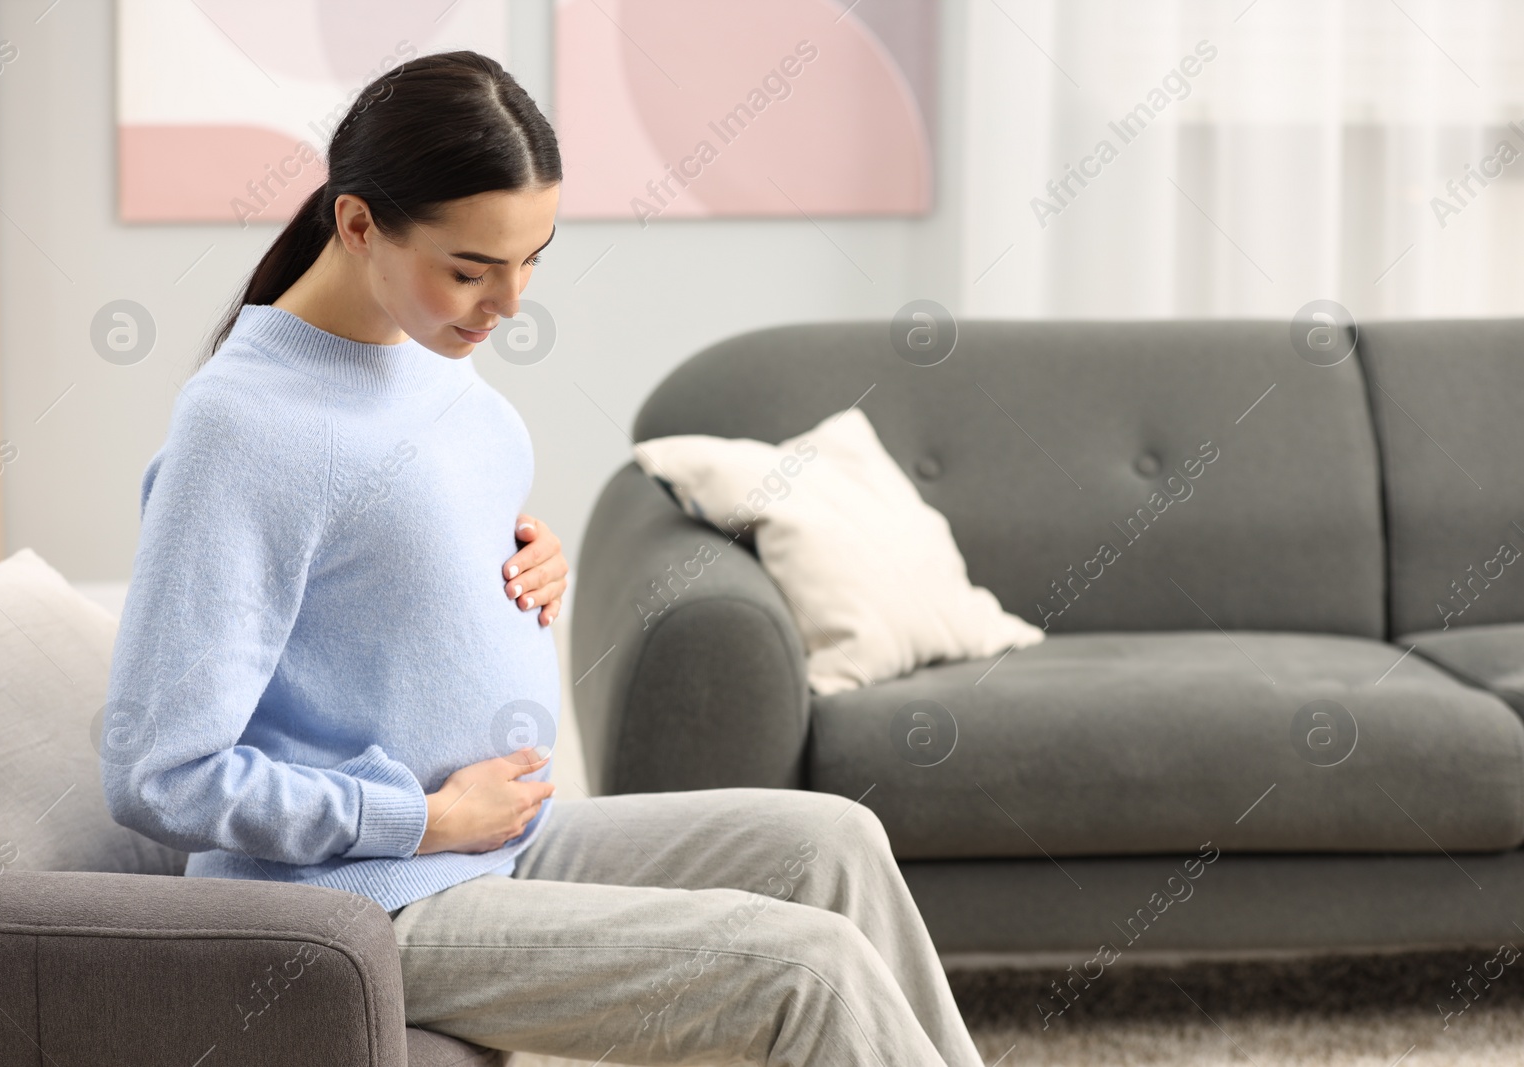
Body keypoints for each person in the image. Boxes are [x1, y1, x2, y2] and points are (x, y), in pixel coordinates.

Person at [100, 49, 983, 1066]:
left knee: (835, 841)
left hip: (504, 841)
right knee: (806, 967)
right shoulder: (241, 430)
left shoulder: (422, 355)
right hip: (354, 905)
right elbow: (156, 772)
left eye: (532, 258)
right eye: (471, 268)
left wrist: (517, 558)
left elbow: (380, 554)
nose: (508, 303)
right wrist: (418, 816)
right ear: (355, 224)